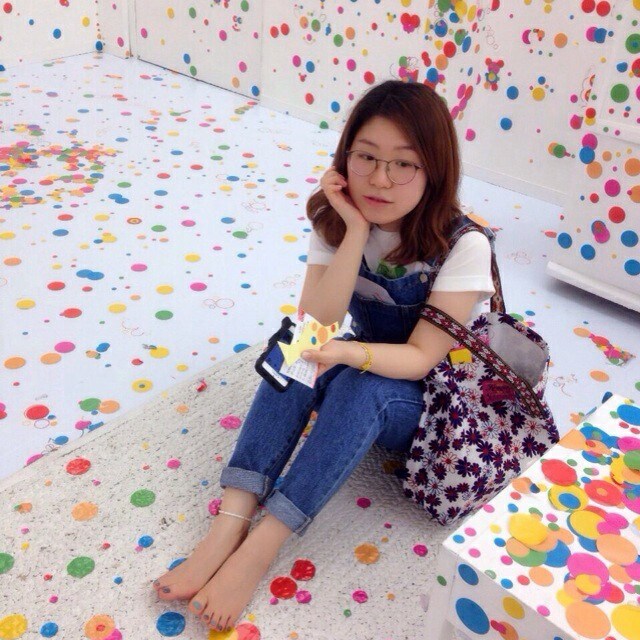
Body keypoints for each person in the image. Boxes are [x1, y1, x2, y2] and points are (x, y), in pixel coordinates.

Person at [152, 79, 495, 631]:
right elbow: (318, 319)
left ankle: (263, 543)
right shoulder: (337, 217)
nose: (379, 179)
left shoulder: (462, 244)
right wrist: (354, 231)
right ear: (345, 156)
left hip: (430, 404)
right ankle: (230, 521)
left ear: (434, 170)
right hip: (364, 355)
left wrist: (347, 354)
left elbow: (421, 359)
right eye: (367, 157)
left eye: (403, 164)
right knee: (295, 346)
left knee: (360, 382)